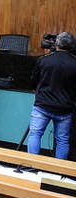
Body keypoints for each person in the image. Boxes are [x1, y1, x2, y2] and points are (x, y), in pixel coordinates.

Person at [27, 32, 76, 160]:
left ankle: (32, 165)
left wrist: (37, 90)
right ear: (72, 46)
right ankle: (59, 169)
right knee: (62, 140)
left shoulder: (44, 60)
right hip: (65, 108)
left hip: (42, 106)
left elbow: (33, 81)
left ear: (56, 44)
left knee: (35, 134)